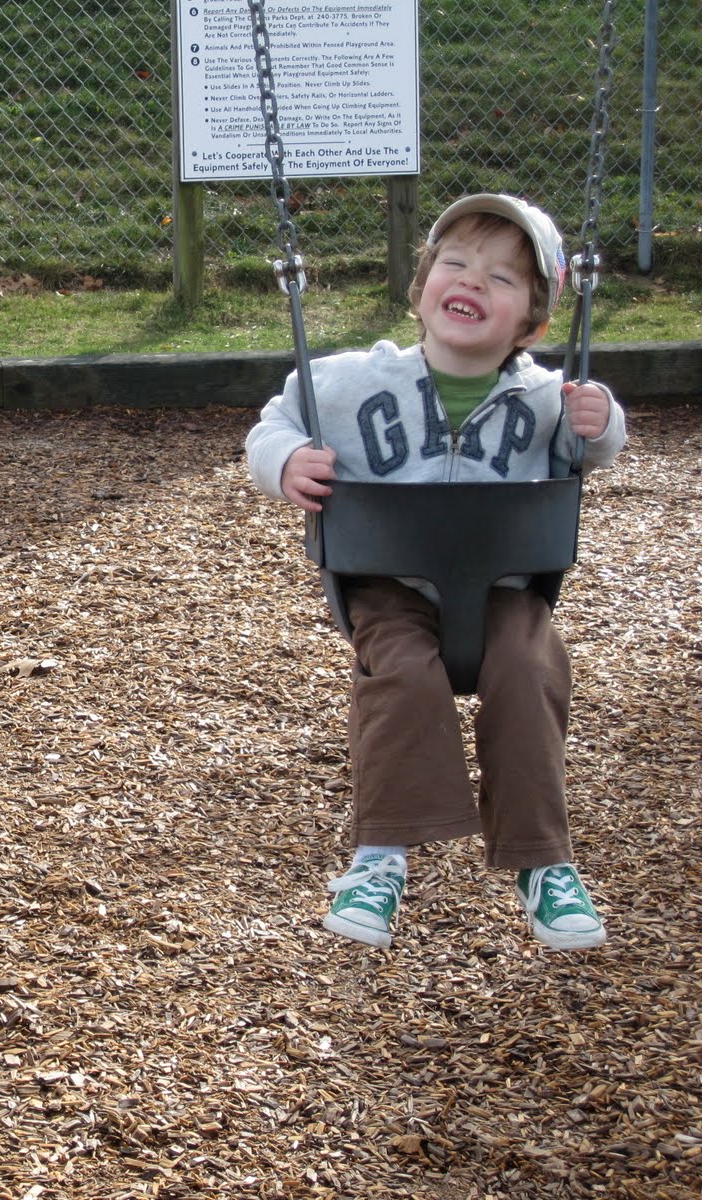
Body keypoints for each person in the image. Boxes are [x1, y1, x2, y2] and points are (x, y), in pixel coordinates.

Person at [245, 193, 627, 951]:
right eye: (455, 263)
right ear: (421, 290)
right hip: (390, 586)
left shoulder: (549, 397)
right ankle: (381, 855)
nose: (473, 280)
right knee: (401, 674)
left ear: (532, 325)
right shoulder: (349, 382)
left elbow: (591, 445)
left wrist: (602, 420)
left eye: (502, 278)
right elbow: (275, 422)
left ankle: (543, 862)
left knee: (531, 667)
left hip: (506, 589)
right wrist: (284, 461)